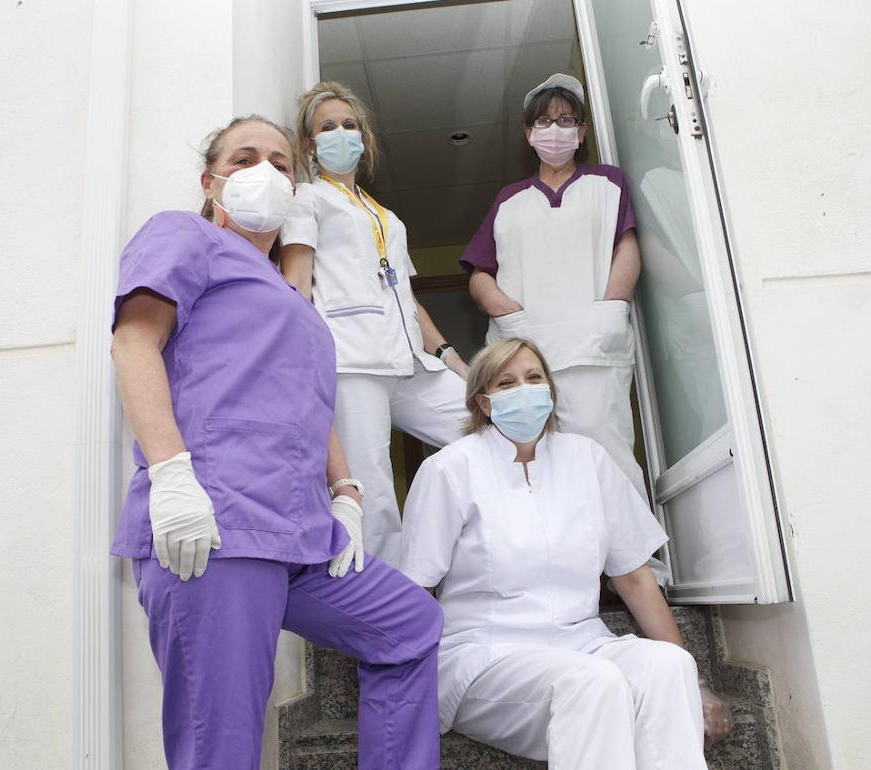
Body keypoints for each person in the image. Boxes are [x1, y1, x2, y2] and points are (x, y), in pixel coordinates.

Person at [109, 114, 442, 770]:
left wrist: (345, 491)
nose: (264, 171)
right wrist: (172, 475)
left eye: (281, 162)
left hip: (301, 534)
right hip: (216, 528)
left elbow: (307, 400)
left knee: (408, 625)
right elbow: (134, 341)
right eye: (244, 158)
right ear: (210, 182)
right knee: (223, 747)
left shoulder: (290, 295)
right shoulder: (185, 236)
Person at [399, 338, 732, 770]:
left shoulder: (587, 458)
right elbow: (418, 588)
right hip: (484, 656)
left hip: (584, 644)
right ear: (483, 402)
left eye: (534, 378)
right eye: (506, 383)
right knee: (595, 681)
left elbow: (633, 576)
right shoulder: (449, 468)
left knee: (668, 665)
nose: (524, 390)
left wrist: (696, 683)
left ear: (550, 391)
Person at [279, 81, 469, 568]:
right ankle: (385, 597)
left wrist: (451, 358)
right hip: (353, 361)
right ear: (310, 145)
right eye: (327, 127)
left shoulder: (386, 216)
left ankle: (460, 552)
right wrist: (301, 361)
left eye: (349, 125)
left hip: (409, 362)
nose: (341, 133)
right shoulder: (307, 199)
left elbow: (407, 297)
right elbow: (296, 283)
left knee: (483, 425)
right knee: (373, 491)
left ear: (363, 139)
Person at [461, 72, 647, 498]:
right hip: (524, 351)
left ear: (582, 132)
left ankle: (638, 544)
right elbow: (479, 273)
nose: (555, 130)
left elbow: (627, 246)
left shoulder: (608, 183)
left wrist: (612, 307)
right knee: (532, 465)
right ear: (528, 133)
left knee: (607, 455)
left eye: (566, 121)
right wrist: (506, 312)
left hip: (591, 346)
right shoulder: (509, 200)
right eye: (544, 122)